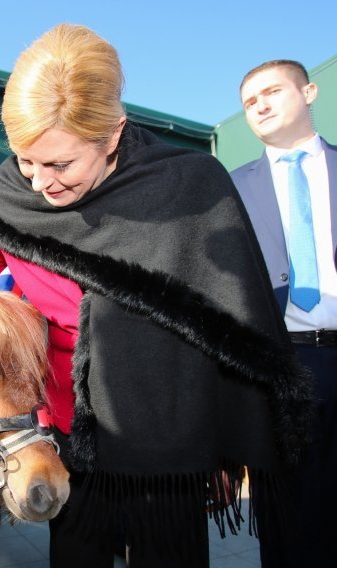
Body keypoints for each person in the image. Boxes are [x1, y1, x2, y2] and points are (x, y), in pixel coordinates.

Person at [0, 24, 313, 568]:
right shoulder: (14, 198)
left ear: (113, 134)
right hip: (71, 441)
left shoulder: (188, 186)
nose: (41, 183)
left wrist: (228, 435)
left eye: (61, 164)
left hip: (169, 446)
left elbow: (234, 312)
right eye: (26, 160)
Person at [231, 59, 336, 568]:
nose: (260, 106)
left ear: (309, 91)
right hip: (279, 368)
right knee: (287, 520)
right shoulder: (229, 189)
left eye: (271, 92)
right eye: (250, 102)